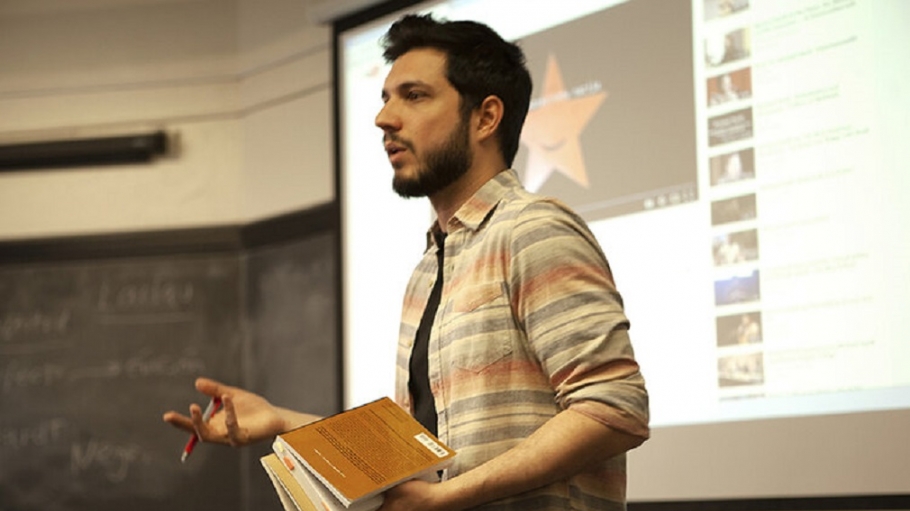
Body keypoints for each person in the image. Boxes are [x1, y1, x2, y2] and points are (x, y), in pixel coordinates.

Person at [164, 13, 649, 511]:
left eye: (414, 96)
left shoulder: (531, 229)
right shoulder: (429, 268)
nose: (384, 119)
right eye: (385, 98)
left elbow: (613, 406)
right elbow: (415, 454)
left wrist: (446, 499)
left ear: (485, 117)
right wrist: (283, 421)